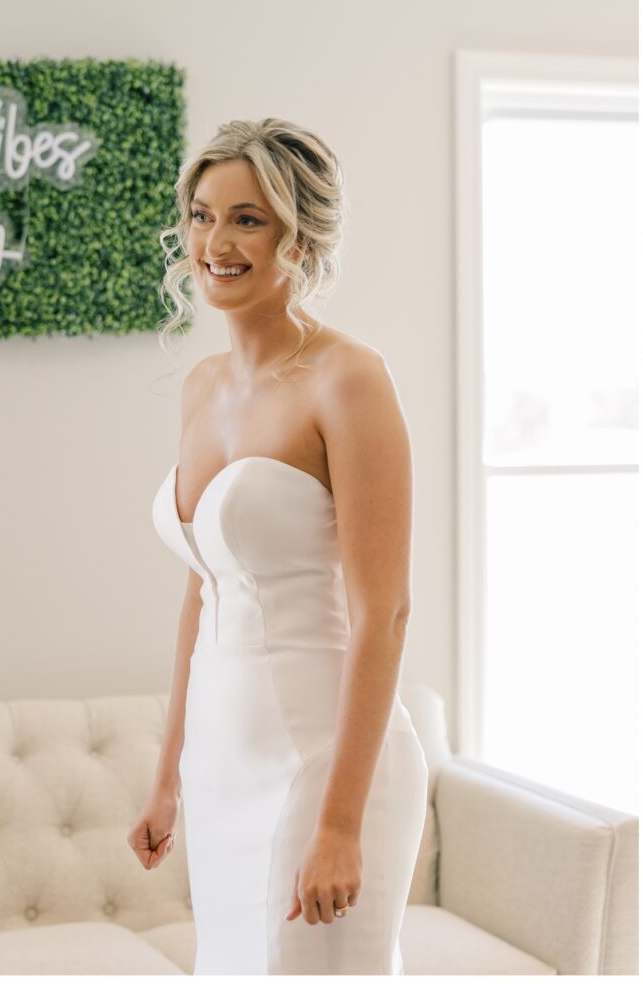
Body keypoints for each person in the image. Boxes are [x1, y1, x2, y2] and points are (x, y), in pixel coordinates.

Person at [140, 120, 428, 975]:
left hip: (324, 761)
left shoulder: (349, 379)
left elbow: (386, 611)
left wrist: (340, 823)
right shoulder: (201, 387)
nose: (215, 242)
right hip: (223, 763)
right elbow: (203, 587)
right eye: (200, 215)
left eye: (247, 219)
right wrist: (168, 776)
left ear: (298, 235)